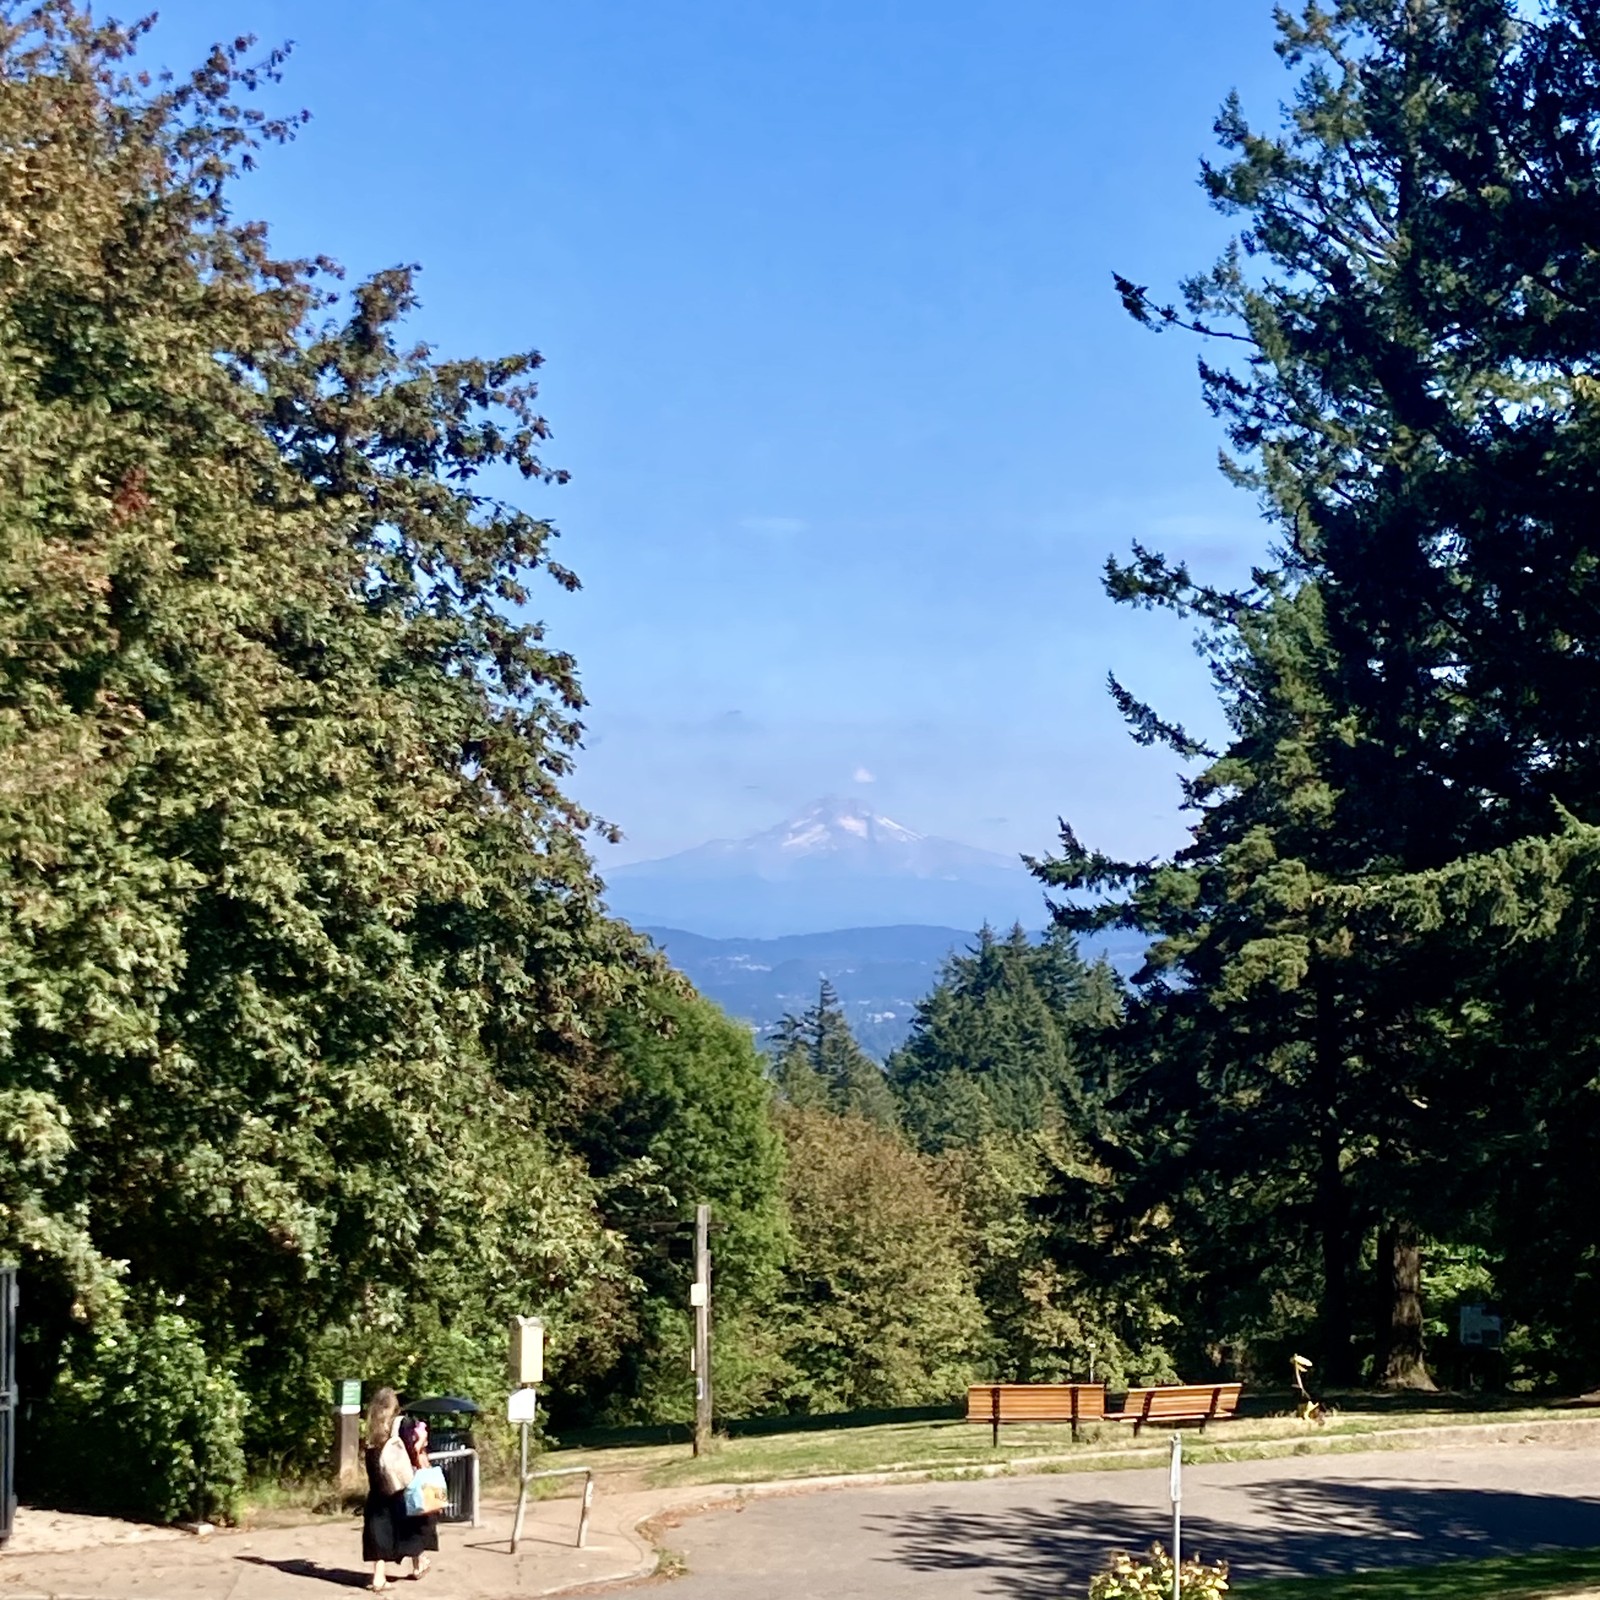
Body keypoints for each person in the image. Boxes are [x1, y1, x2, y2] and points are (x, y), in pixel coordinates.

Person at [361, 1388, 413, 1592]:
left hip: (376, 1484)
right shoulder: (394, 1426)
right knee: (394, 1524)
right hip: (393, 1482)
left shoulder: (371, 1428)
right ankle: (381, 1577)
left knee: (377, 1524)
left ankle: (378, 1576)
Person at [393, 1416, 440, 1579]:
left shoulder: (397, 1445)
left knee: (415, 1525)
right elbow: (421, 1460)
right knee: (421, 1525)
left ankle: (419, 1562)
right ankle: (419, 1563)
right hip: (420, 1488)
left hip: (408, 1489)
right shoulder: (413, 1446)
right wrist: (422, 1440)